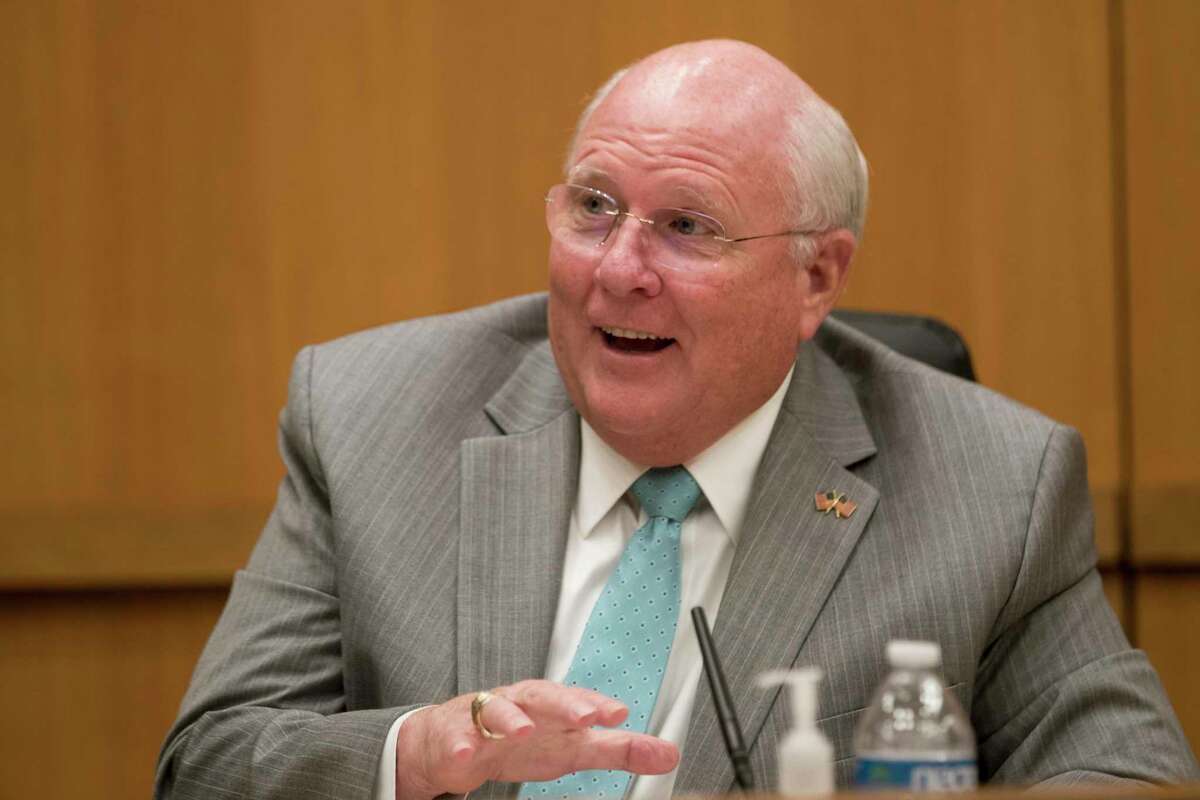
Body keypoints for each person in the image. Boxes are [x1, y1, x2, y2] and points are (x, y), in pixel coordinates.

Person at [155, 39, 1198, 800]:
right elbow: (206, 764)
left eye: (687, 226)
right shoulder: (372, 414)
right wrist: (419, 751)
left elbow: (1132, 775)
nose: (619, 269)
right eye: (595, 207)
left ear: (815, 276)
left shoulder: (992, 483)